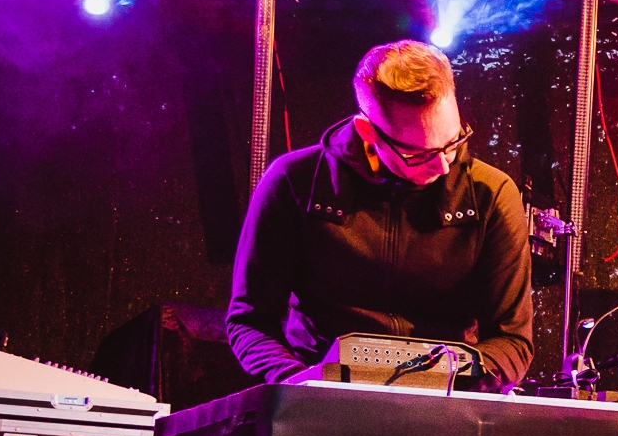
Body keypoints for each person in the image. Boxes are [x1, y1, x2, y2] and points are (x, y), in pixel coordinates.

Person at [227, 40, 533, 390]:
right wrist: (299, 386)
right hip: (319, 402)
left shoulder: (492, 194)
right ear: (367, 131)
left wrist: (447, 381)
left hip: (447, 405)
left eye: (453, 142)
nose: (443, 165)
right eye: (418, 154)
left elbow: (513, 341)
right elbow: (250, 322)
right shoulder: (294, 182)